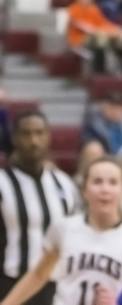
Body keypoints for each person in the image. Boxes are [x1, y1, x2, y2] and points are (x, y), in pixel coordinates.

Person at [0, 157, 122, 305]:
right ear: (84, 190)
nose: (105, 189)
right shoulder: (63, 229)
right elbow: (38, 275)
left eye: (113, 183)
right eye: (97, 182)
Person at [0, 111, 79, 305]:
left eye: (39, 133)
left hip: (55, 288)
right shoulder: (2, 183)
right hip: (9, 285)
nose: (33, 141)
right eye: (26, 134)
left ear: (48, 136)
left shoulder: (64, 183)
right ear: (14, 138)